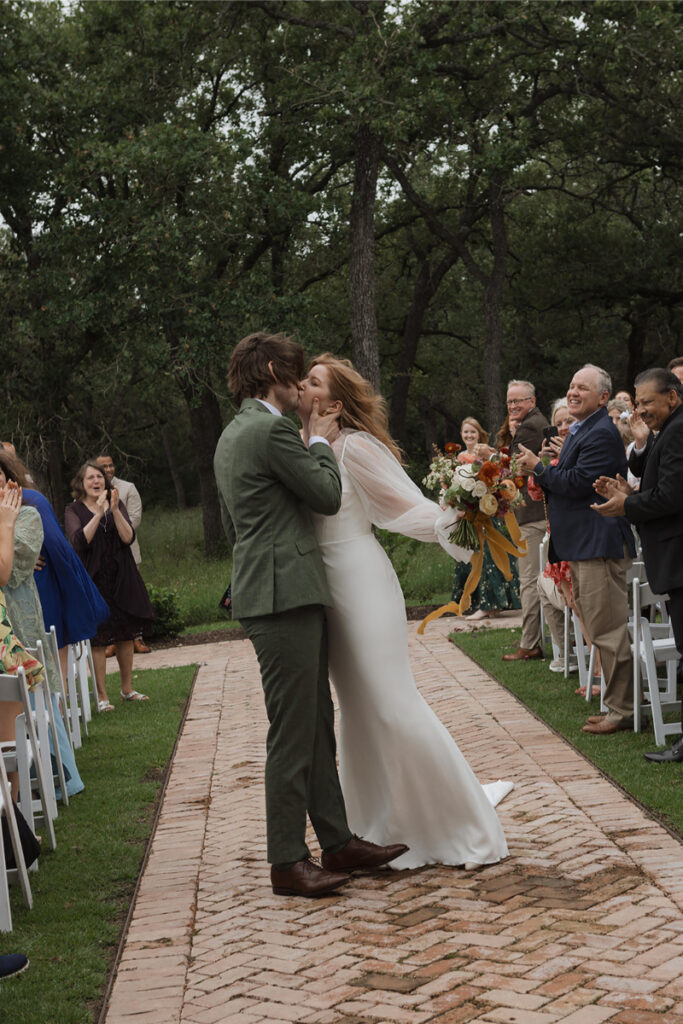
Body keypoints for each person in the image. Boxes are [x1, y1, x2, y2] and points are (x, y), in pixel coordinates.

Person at [297, 353, 511, 871]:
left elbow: (403, 507)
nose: (302, 385)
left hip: (361, 583)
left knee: (392, 703)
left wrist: (461, 509)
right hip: (324, 588)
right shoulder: (303, 446)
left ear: (334, 402)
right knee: (359, 710)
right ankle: (377, 826)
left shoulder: (350, 448)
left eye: (313, 380)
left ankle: (463, 822)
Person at [213, 332, 408, 898]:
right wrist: (320, 442)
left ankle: (339, 840)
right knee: (295, 731)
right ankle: (287, 861)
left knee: (316, 720)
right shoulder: (272, 428)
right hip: (283, 594)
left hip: (276, 588)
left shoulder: (234, 431)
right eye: (297, 376)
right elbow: (324, 494)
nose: (302, 386)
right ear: (274, 370)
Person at [516, 364, 636, 735]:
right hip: (583, 545)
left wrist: (539, 468)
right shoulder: (584, 429)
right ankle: (617, 706)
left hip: (597, 543)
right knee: (599, 629)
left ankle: (623, 711)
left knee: (609, 630)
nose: (572, 392)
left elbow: (581, 483)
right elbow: (570, 475)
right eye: (571, 386)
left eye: (582, 388)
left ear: (603, 397)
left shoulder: (601, 432)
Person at [593, 368, 683, 762]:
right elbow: (661, 486)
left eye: (647, 402)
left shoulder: (678, 431)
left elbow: (671, 498)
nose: (641, 410)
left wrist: (626, 505)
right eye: (637, 403)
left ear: (672, 398)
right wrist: (629, 491)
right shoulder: (670, 431)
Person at [0, 450, 90, 797]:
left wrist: (5, 523)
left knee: (33, 705)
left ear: (9, 481)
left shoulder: (28, 516)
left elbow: (15, 568)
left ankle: (54, 777)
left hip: (19, 624)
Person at [65, 462, 154, 709]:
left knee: (126, 633)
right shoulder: (73, 510)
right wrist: (98, 513)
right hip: (93, 582)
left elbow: (128, 537)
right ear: (81, 484)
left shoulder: (117, 504)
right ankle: (102, 696)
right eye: (91, 478)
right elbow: (79, 541)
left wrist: (113, 510)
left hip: (122, 577)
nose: (97, 481)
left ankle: (127, 689)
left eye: (100, 477)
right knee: (99, 638)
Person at [451, 418, 521, 621]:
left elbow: (499, 476)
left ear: (479, 434)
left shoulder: (488, 453)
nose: (469, 436)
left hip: (487, 512)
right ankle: (474, 602)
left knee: (490, 556)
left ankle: (491, 605)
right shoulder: (459, 458)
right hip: (469, 514)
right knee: (472, 558)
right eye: (466, 432)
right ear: (461, 434)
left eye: (473, 432)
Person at [502, 380, 549, 662]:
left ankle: (530, 643)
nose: (513, 406)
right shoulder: (531, 422)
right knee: (532, 579)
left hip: (533, 515)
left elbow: (513, 468)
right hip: (533, 514)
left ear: (531, 400)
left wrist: (489, 460)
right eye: (509, 402)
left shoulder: (530, 426)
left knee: (529, 579)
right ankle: (534, 639)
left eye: (518, 401)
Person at [95, 454, 150, 655]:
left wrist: (115, 534)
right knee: (109, 597)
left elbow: (135, 518)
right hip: (102, 557)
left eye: (110, 465)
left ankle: (137, 638)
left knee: (131, 596)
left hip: (126, 551)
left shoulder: (128, 488)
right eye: (103, 467)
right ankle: (112, 640)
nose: (108, 469)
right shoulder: (90, 491)